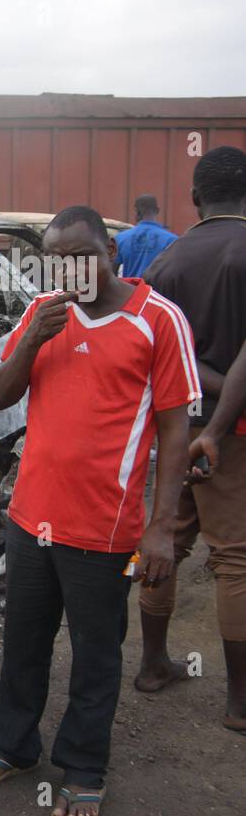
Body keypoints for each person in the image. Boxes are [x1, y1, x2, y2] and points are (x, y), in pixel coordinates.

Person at [0, 205, 199, 816]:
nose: (69, 268)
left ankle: (84, 768)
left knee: (96, 655)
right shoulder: (43, 315)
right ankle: (13, 746)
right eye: (56, 257)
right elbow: (1, 393)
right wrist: (36, 335)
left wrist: (161, 526)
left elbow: (176, 430)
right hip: (32, 517)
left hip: (105, 527)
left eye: (81, 254)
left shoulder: (158, 321)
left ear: (113, 254)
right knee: (23, 645)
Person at [138, 145, 246, 731]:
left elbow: (156, 353)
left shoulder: (167, 263)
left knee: (169, 543)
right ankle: (240, 703)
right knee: (236, 559)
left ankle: (152, 665)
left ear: (196, 200)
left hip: (178, 426)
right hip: (236, 436)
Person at [114, 194, 178, 278]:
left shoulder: (120, 238)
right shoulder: (171, 240)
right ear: (157, 211)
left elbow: (112, 271)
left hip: (131, 290)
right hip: (156, 291)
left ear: (137, 212)